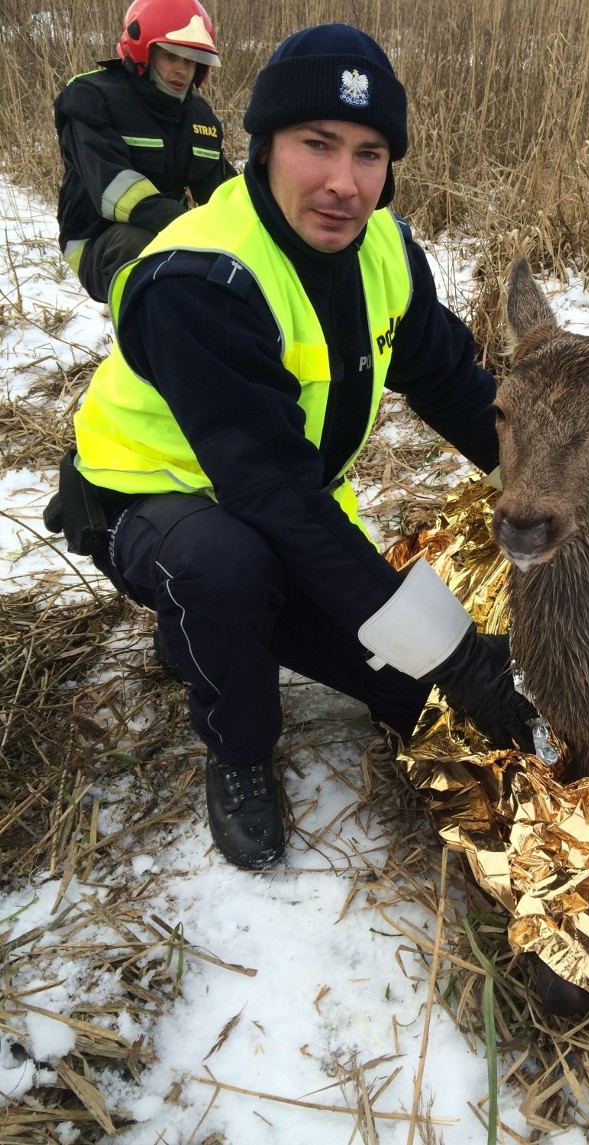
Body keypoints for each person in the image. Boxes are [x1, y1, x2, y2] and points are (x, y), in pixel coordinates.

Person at [60, 22, 537, 870]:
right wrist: (461, 653)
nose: (344, 184)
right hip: (153, 501)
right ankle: (237, 745)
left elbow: (452, 383)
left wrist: (543, 480)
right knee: (232, 569)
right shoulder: (202, 278)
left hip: (283, 498)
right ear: (265, 144)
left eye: (369, 153)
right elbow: (274, 498)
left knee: (407, 689)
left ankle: (216, 632)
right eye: (317, 144)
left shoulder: (383, 246)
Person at [53, 0, 236, 303]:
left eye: (191, 61)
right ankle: (142, 339)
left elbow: (221, 190)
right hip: (97, 240)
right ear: (143, 51)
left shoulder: (199, 117)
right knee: (144, 246)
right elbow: (113, 187)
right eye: (170, 55)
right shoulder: (91, 97)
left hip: (171, 231)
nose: (181, 69)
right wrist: (191, 230)